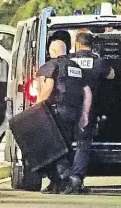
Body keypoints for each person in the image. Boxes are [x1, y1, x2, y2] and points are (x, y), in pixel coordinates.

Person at [36, 40, 93, 194]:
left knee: (54, 147)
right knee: (65, 146)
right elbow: (87, 92)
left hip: (56, 111)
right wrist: (85, 114)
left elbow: (48, 87)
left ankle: (69, 178)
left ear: (53, 51)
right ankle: (56, 184)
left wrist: (36, 107)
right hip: (73, 112)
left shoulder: (53, 65)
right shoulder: (76, 67)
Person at [66, 31, 115, 194]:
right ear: (91, 45)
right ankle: (76, 178)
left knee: (65, 143)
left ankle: (62, 178)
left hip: (68, 107)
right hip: (89, 107)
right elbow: (112, 75)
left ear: (78, 44)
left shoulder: (68, 60)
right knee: (83, 144)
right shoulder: (98, 62)